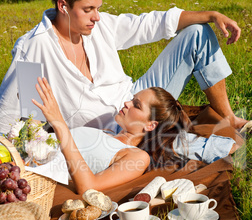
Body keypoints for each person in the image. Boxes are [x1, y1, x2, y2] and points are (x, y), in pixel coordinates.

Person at [0, 0, 249, 137]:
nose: (97, 17)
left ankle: (230, 120)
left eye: (98, 8)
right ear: (63, 6)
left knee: (198, 33)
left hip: (135, 102)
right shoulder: (34, 49)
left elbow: (149, 24)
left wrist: (212, 14)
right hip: (106, 134)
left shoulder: (99, 25)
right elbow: (11, 118)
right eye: (88, 10)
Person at [32, 77, 237, 194]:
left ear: (150, 125)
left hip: (32, 175)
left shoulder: (137, 157)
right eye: (131, 99)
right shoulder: (105, 132)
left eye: (136, 105)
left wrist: (59, 123)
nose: (126, 103)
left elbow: (89, 187)